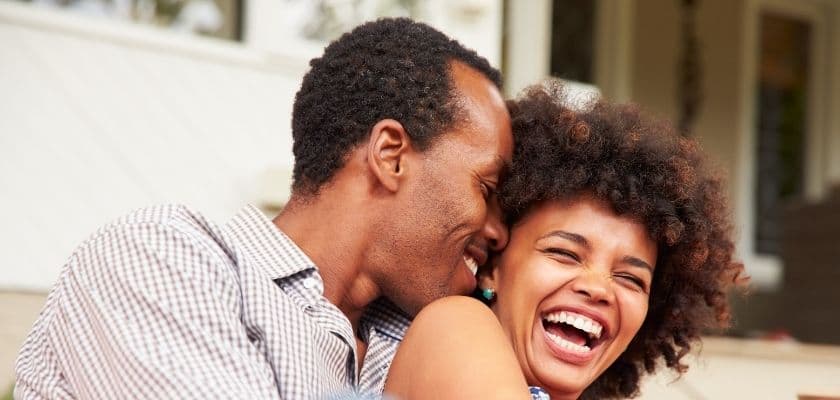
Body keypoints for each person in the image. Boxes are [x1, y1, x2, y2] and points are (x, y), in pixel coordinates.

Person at [15, 18, 512, 399]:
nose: (499, 231)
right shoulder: (159, 259)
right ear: (390, 155)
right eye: (487, 188)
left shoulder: (421, 336)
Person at [384, 82, 746, 400]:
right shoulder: (455, 325)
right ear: (493, 267)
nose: (599, 288)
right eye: (565, 253)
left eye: (631, 279)